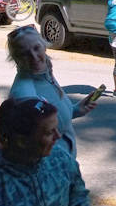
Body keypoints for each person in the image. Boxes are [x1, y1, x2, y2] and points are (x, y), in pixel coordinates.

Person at [8, 26, 96, 157]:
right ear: (16, 59)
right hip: (51, 168)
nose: (33, 57)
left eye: (36, 48)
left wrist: (75, 110)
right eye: (24, 53)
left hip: (64, 161)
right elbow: (32, 145)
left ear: (44, 46)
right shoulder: (24, 95)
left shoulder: (44, 73)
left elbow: (52, 120)